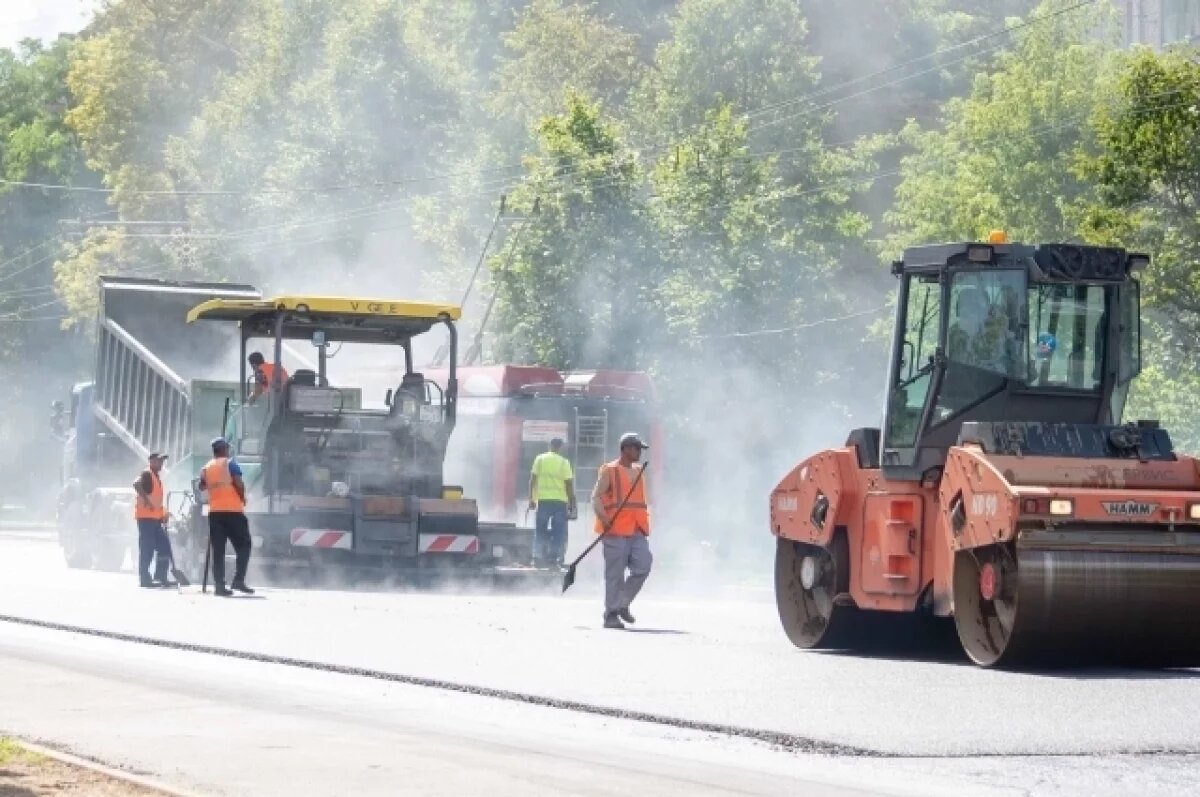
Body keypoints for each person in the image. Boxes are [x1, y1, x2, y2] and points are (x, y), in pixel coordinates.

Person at [590, 432, 652, 630]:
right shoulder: (610, 470)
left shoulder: (640, 471)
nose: (640, 452)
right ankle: (611, 614)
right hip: (615, 531)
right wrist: (605, 519)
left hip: (637, 529)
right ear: (625, 449)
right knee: (615, 575)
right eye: (637, 448)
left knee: (643, 566)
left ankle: (622, 603)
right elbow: (596, 497)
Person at [198, 438, 254, 597]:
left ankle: (219, 586)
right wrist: (242, 497)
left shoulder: (206, 467)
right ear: (223, 449)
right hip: (233, 512)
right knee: (244, 545)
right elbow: (238, 483)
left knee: (218, 551)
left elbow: (201, 486)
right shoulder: (230, 463)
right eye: (227, 448)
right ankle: (238, 580)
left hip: (215, 513)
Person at [528, 437, 576, 567]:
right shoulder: (564, 462)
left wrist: (531, 499)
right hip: (560, 502)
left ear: (549, 445)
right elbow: (569, 484)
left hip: (543, 501)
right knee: (558, 532)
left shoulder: (540, 459)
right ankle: (553, 558)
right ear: (560, 447)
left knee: (540, 530)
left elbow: (532, 480)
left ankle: (537, 557)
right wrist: (572, 502)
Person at [133, 452, 174, 588]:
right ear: (151, 461)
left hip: (155, 520)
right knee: (147, 549)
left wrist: (164, 514)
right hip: (146, 520)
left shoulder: (156, 477)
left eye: (162, 461)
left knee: (165, 548)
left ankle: (160, 576)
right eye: (158, 461)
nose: (161, 463)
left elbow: (156, 501)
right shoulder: (147, 474)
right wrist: (147, 501)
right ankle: (145, 579)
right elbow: (136, 484)